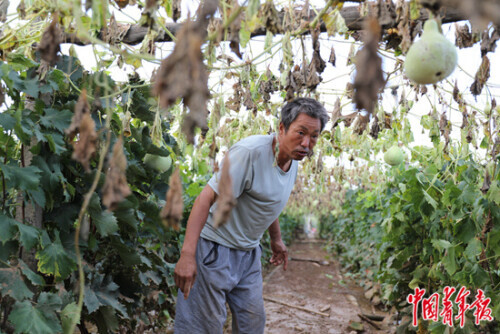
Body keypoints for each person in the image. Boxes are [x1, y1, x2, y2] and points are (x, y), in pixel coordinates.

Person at [173, 97, 329, 334]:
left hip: (248, 255)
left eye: (314, 136)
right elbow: (205, 198)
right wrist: (187, 255)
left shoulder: (294, 159)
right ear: (281, 128)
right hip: (215, 250)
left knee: (252, 324)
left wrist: (276, 240)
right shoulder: (250, 153)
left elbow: (267, 202)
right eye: (301, 132)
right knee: (202, 327)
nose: (306, 143)